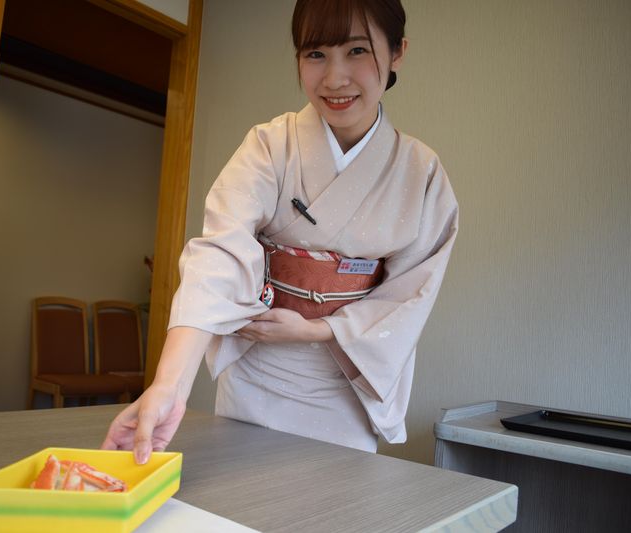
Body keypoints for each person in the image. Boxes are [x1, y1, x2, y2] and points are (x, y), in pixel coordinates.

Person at [102, 0, 458, 463]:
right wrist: (169, 383)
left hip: (343, 386)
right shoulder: (270, 145)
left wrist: (318, 330)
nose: (334, 78)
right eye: (315, 54)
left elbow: (410, 295)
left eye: (356, 51)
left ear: (397, 52)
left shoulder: (421, 172)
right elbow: (221, 253)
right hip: (258, 373)